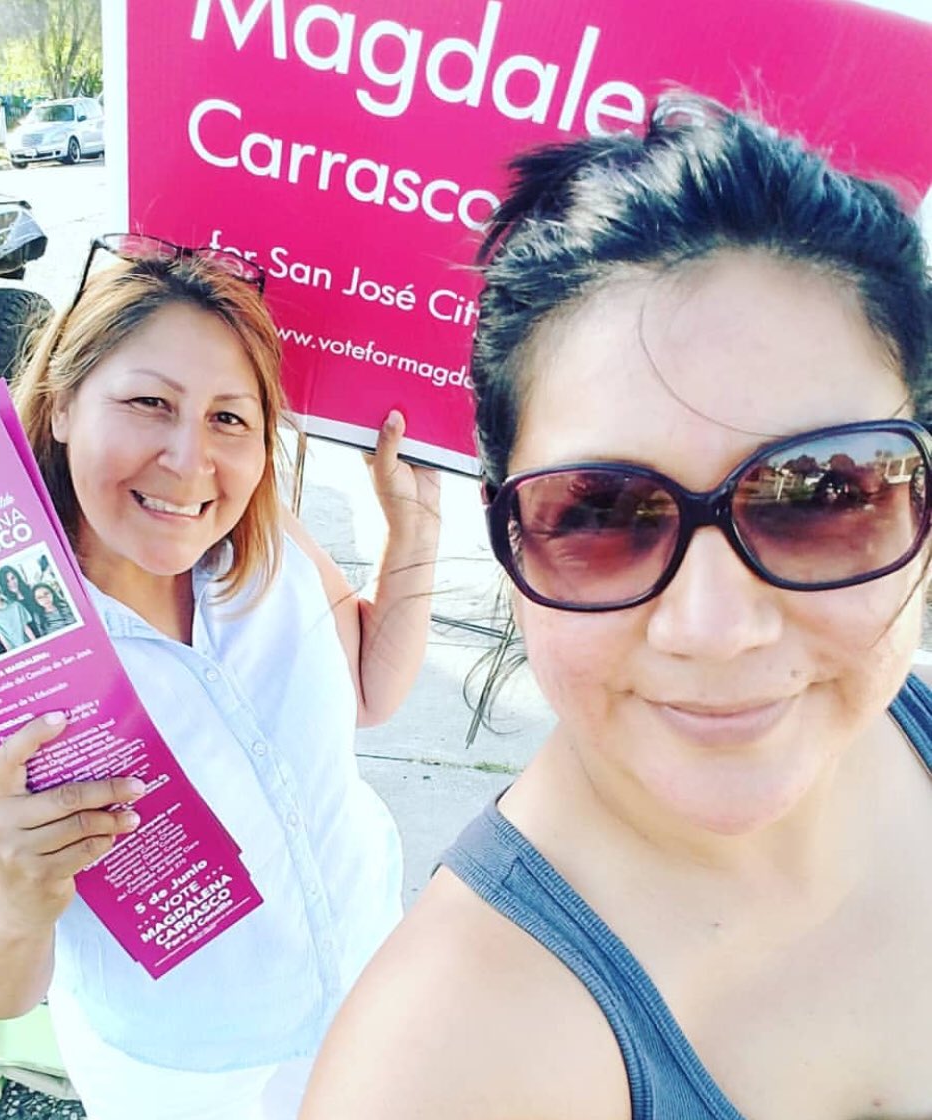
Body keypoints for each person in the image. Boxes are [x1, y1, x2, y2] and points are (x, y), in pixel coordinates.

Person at [301, 94, 932, 1118]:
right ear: (507, 534)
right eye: (600, 512)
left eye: (822, 494)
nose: (715, 628)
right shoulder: (438, 1072)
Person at [0, 232, 440, 1120]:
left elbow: (370, 693)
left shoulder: (266, 547)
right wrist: (22, 898)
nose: (188, 461)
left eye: (230, 418)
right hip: (191, 1076)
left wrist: (411, 540)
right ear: (62, 404)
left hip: (375, 987)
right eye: (149, 402)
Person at [0, 579, 36, 650]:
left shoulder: (15, 605)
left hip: (27, 642)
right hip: (13, 648)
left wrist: (35, 642)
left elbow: (26, 627)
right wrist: (10, 651)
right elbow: (1, 635)